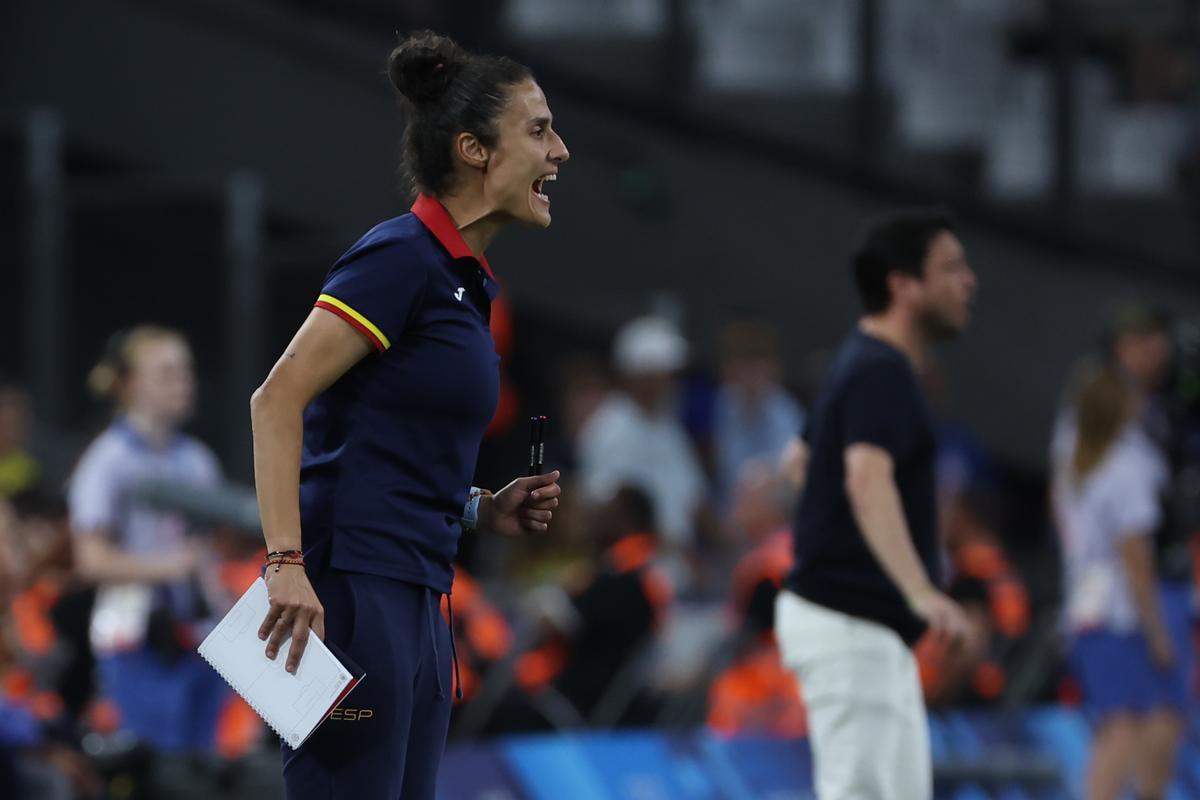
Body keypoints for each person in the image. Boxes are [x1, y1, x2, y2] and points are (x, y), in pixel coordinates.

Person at [249, 31, 567, 800]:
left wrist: (479, 511)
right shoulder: (400, 258)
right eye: (538, 129)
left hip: (421, 595)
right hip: (353, 594)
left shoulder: (465, 283)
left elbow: (381, 449)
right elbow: (276, 399)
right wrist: (285, 563)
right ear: (474, 150)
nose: (559, 151)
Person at [774, 209, 977, 799]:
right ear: (902, 284)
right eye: (951, 267)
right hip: (849, 626)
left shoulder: (863, 362)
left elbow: (799, 460)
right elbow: (867, 479)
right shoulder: (879, 371)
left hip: (865, 630)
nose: (969, 281)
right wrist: (921, 592)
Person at [68, 326, 229, 753]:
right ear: (129, 384)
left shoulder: (196, 459)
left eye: (186, 372)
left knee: (202, 768)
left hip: (199, 637)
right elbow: (91, 559)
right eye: (167, 373)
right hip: (138, 641)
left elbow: (208, 555)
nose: (183, 383)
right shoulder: (108, 460)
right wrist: (170, 565)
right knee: (151, 767)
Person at [1052, 363, 1183, 800]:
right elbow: (1136, 561)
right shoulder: (1127, 469)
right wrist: (1158, 632)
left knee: (1122, 726)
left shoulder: (1073, 457)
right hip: (1118, 614)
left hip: (1085, 603)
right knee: (1124, 729)